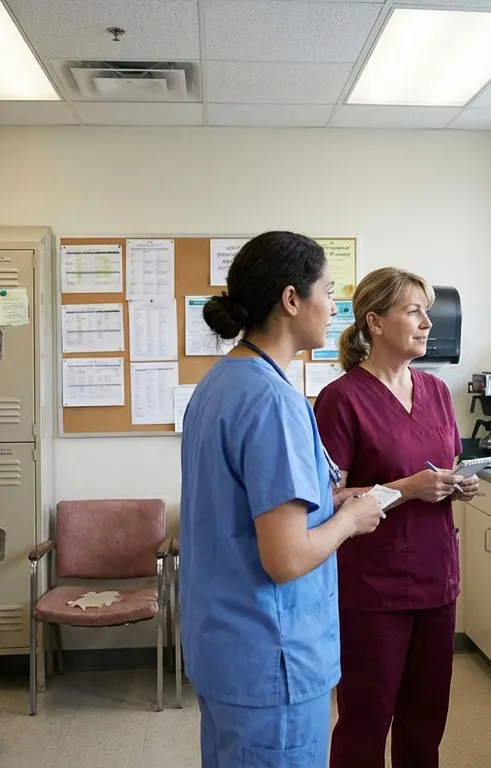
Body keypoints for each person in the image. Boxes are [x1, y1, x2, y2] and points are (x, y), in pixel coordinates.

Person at [179, 231, 386, 768]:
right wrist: (352, 520)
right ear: (292, 299)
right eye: (328, 291)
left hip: (226, 646)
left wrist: (332, 499)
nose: (335, 305)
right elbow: (286, 556)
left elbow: (244, 509)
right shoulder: (275, 401)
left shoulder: (220, 384)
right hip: (274, 656)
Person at [313, 267, 477, 768]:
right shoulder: (341, 399)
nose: (428, 322)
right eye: (414, 311)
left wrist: (456, 483)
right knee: (366, 720)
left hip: (436, 578)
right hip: (373, 588)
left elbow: (439, 470)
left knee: (425, 720)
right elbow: (329, 497)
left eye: (428, 312)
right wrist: (406, 490)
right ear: (375, 322)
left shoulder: (436, 391)